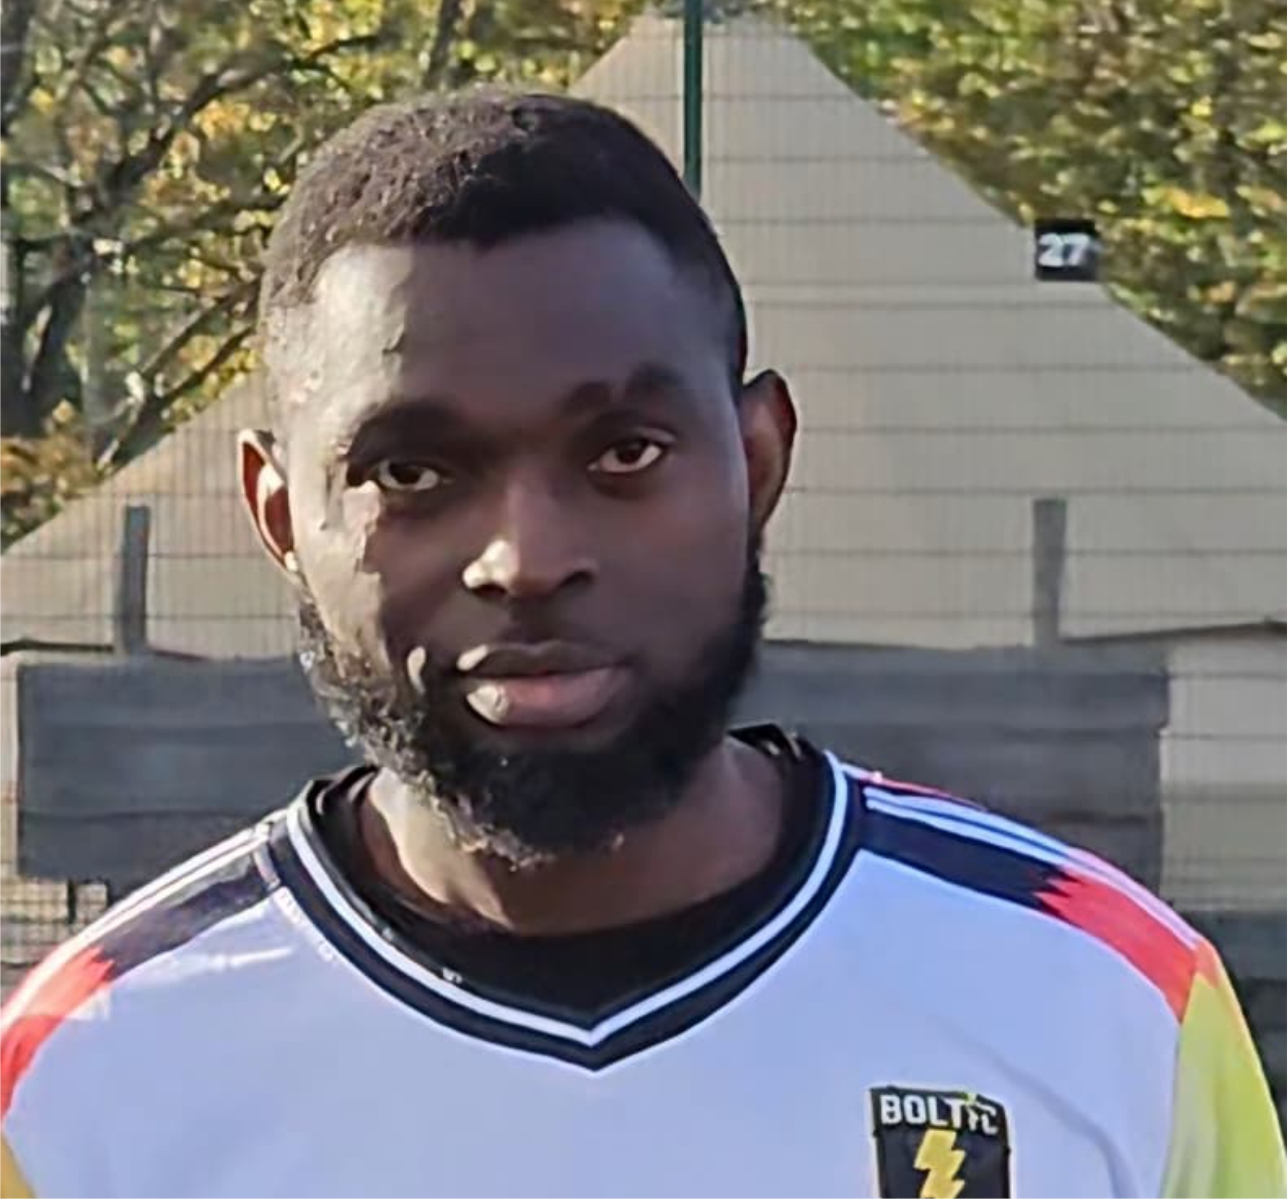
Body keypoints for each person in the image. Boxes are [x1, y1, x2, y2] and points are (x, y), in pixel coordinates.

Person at [1, 90, 1282, 1199]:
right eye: (411, 471)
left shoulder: (1103, 997)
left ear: (758, 462)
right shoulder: (83, 1076)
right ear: (282, 517)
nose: (524, 559)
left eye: (623, 451)